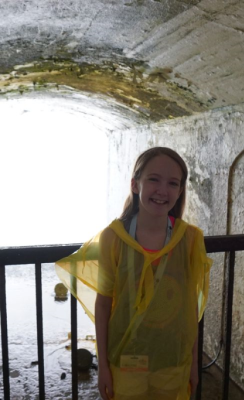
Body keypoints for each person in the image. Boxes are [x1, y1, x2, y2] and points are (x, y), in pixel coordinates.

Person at [55, 147, 212, 400]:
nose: (163, 190)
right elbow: (104, 304)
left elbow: (189, 306)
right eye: (153, 179)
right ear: (135, 184)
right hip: (126, 361)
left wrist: (193, 364)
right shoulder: (113, 239)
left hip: (172, 361)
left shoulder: (190, 240)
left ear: (180, 191)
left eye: (173, 183)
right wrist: (104, 367)